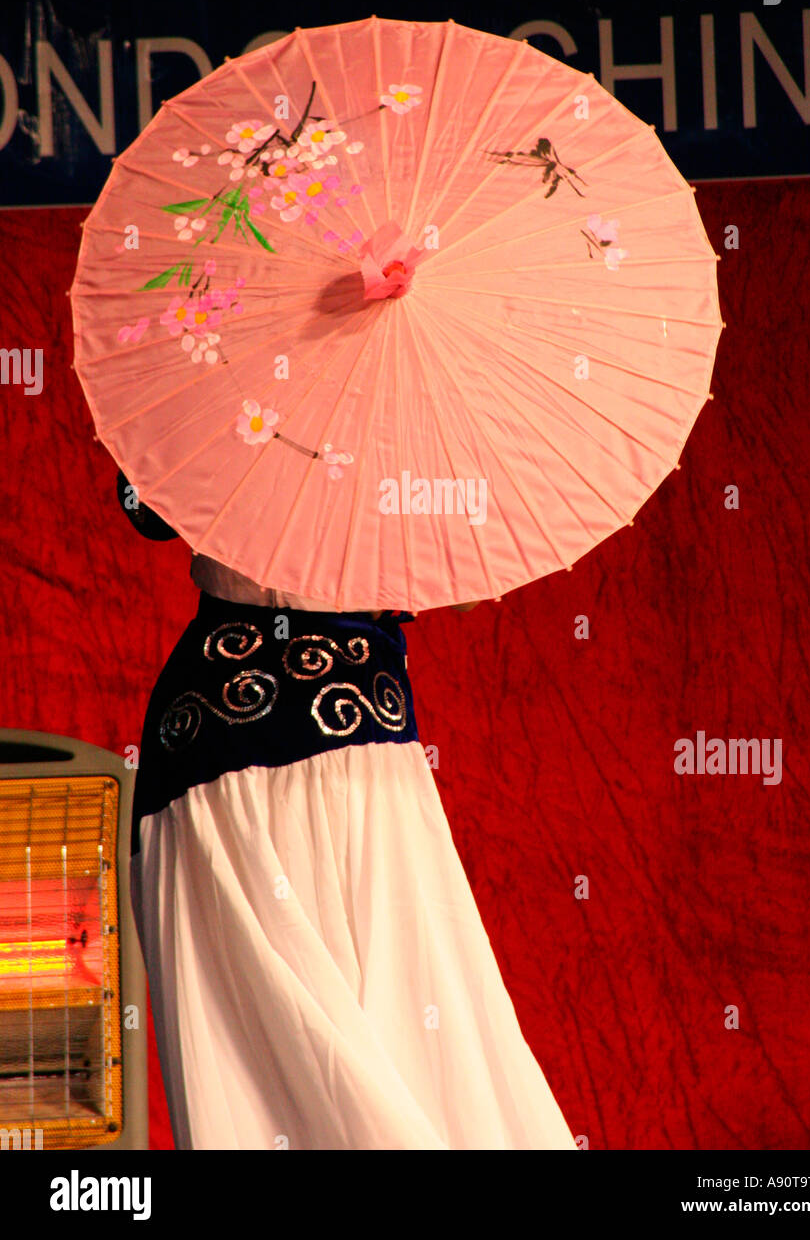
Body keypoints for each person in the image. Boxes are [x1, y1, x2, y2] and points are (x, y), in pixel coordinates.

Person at [120, 470, 577, 1149]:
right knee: (405, 1043)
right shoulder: (408, 394)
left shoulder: (214, 369)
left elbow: (145, 500)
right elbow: (471, 585)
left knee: (300, 1067)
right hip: (297, 744)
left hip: (256, 743)